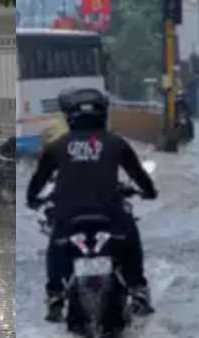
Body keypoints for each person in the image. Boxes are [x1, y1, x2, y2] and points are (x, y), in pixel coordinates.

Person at [26, 88, 158, 323]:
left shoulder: (57, 146)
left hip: (68, 220)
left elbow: (37, 182)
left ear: (69, 117)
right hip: (112, 218)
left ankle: (55, 295)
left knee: (56, 246)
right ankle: (138, 291)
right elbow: (139, 176)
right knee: (130, 240)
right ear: (103, 114)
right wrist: (149, 193)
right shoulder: (116, 143)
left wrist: (33, 200)